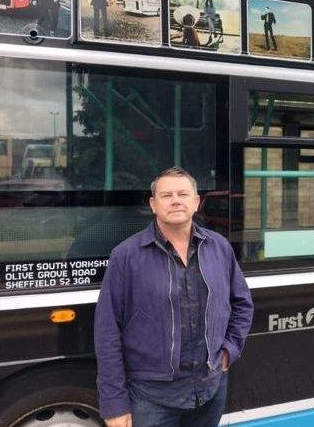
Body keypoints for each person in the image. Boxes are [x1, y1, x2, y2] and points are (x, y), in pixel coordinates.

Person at [95, 167, 254, 427]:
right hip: (151, 399)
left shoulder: (219, 247)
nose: (176, 200)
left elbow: (242, 304)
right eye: (166, 195)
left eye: (183, 193)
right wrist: (115, 404)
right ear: (153, 204)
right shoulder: (126, 256)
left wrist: (229, 351)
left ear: (196, 202)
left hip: (209, 391)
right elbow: (107, 331)